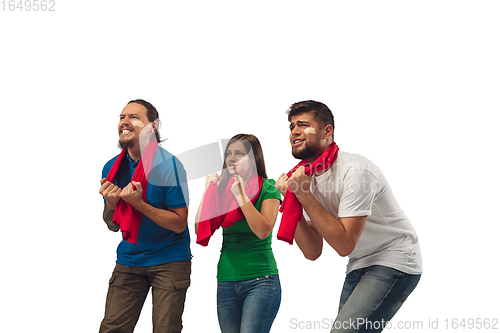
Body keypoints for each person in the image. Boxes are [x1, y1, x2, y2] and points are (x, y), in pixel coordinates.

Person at [276, 100, 422, 333]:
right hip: (359, 262)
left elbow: (344, 244)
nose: (294, 131)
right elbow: (312, 251)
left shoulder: (356, 171)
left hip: (394, 258)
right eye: (292, 126)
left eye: (303, 125)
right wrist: (293, 199)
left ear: (327, 132)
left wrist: (303, 194)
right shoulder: (303, 178)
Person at [98, 99, 191, 333]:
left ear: (153, 127)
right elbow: (113, 225)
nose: (125, 122)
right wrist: (112, 203)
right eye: (121, 117)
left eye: (134, 117)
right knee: (112, 328)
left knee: (165, 329)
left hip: (169, 260)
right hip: (130, 259)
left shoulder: (169, 165)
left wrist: (138, 204)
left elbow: (179, 223)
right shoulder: (111, 168)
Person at [195, 134, 282, 333]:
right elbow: (200, 230)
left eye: (240, 154)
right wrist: (207, 191)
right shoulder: (221, 191)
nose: (232, 158)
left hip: (261, 280)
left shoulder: (268, 188)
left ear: (254, 160)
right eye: (229, 154)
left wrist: (241, 195)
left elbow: (262, 230)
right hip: (226, 281)